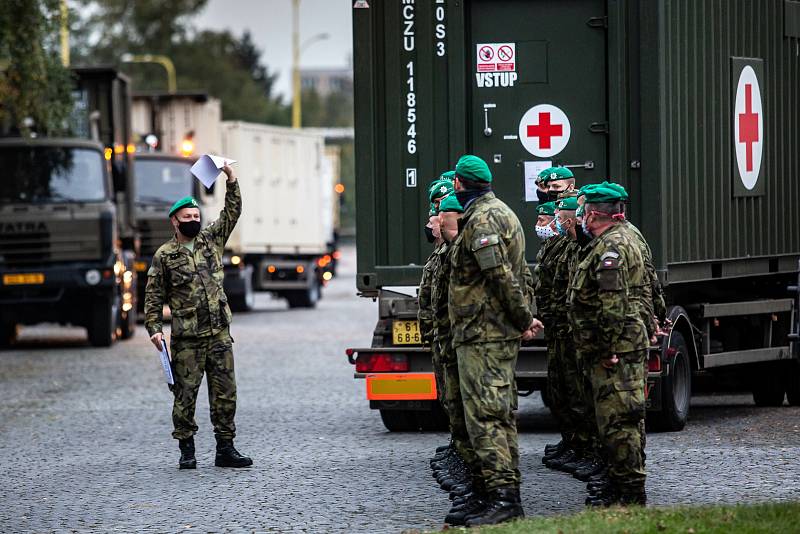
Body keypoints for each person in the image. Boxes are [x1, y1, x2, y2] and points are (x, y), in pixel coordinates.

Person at [447, 155, 543, 526]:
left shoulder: (484, 219)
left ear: (460, 183)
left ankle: (504, 498)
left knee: (487, 417)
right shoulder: (497, 211)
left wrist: (523, 318)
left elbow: (501, 276)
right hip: (484, 332)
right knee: (496, 414)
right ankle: (496, 493)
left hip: (485, 334)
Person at [144, 165, 252, 470]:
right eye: (187, 218)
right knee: (185, 396)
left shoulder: (211, 241)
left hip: (219, 333)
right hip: (187, 339)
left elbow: (232, 212)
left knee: (225, 393)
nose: (193, 221)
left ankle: (225, 448)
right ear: (175, 222)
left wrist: (232, 178)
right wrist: (154, 329)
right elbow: (153, 295)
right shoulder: (165, 256)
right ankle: (187, 450)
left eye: (196, 217)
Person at [566, 183, 649, 506]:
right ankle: (619, 485)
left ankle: (630, 492)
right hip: (617, 346)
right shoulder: (613, 241)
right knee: (612, 420)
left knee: (620, 422)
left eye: (585, 213)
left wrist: (607, 349)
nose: (582, 219)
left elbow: (611, 305)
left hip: (618, 350)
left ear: (593, 215)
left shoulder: (612, 247)